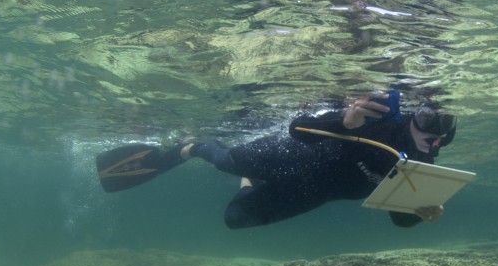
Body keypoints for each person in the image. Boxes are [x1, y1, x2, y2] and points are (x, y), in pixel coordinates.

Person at [168, 93, 457, 229]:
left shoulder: (424, 162)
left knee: (235, 219)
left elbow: (400, 219)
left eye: (444, 124)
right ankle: (194, 147)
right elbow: (298, 128)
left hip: (318, 190)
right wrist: (345, 121)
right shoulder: (378, 118)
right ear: (411, 115)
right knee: (227, 161)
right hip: (296, 155)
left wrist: (421, 212)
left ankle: (250, 181)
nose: (433, 131)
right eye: (426, 118)